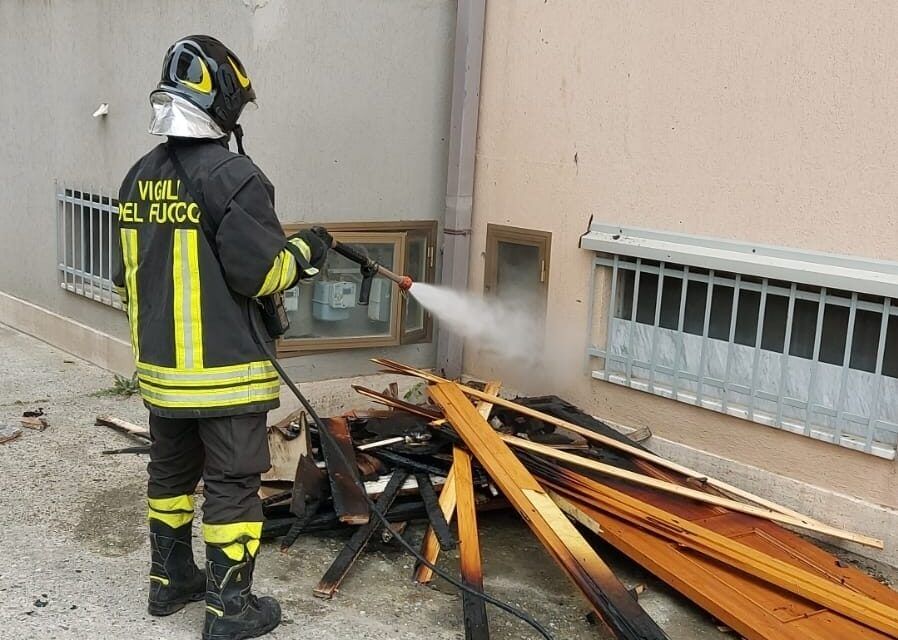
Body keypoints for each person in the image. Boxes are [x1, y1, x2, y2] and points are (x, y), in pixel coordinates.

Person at [112, 35, 329, 640]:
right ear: (224, 102)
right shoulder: (234, 176)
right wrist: (308, 251)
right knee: (233, 488)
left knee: (170, 476)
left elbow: (125, 279)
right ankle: (230, 611)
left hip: (162, 376)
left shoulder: (138, 177)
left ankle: (169, 582)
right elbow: (262, 274)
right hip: (227, 374)